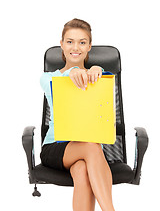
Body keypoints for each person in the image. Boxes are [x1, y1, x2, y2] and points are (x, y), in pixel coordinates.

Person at [40, 18, 115, 211]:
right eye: (70, 41)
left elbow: (104, 97)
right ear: (62, 45)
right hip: (56, 147)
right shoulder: (49, 77)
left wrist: (99, 71)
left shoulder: (94, 77)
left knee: (82, 170)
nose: (76, 47)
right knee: (91, 146)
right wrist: (73, 71)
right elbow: (59, 85)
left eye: (82, 42)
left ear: (89, 46)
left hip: (88, 149)